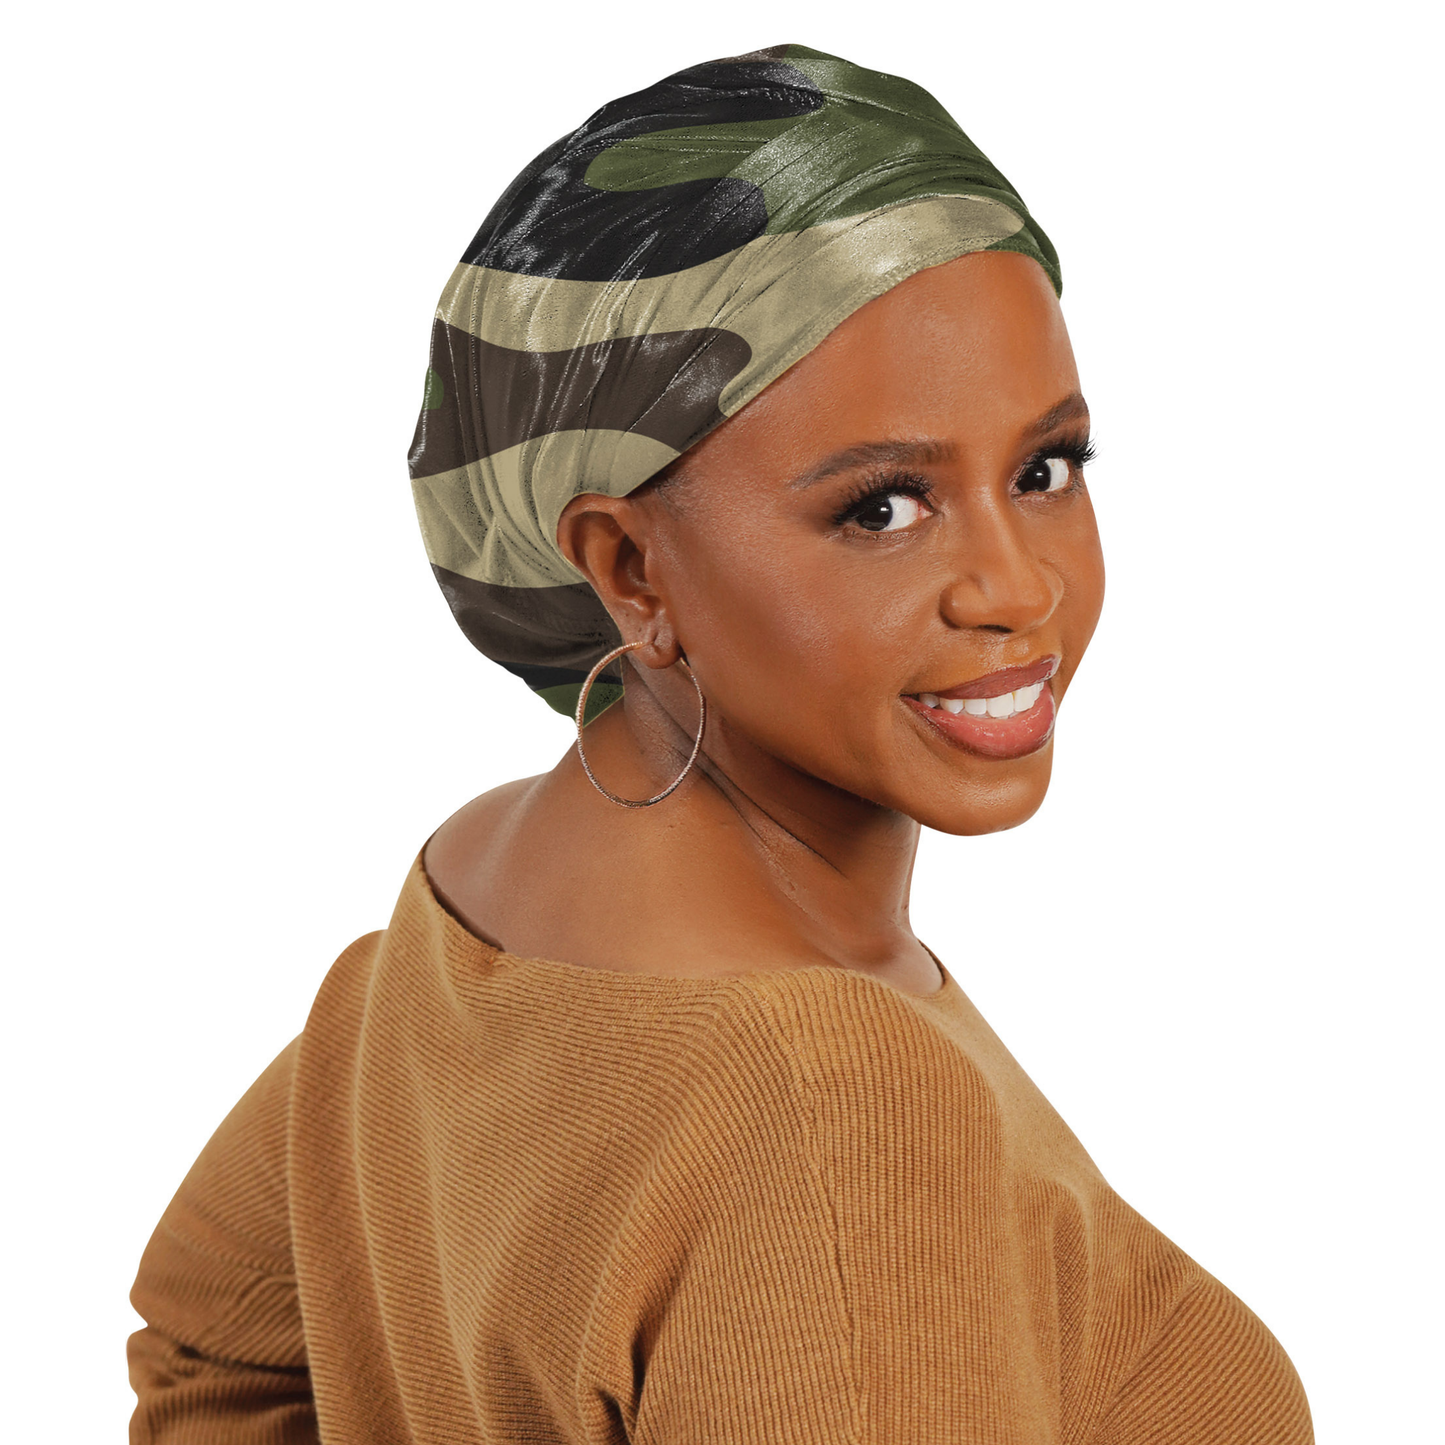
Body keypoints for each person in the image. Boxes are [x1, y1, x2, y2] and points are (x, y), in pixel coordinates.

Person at [127, 45, 1313, 1443]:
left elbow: (214, 1353)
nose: (1018, 589)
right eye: (883, 507)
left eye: (1046, 469)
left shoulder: (477, 900)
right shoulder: (834, 1115)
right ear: (629, 570)